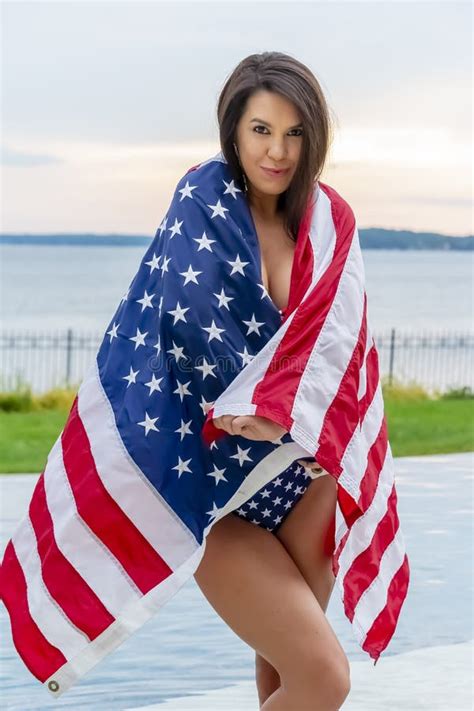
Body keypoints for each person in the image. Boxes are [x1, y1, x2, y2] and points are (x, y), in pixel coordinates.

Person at [193, 52, 351, 710]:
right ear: (233, 129)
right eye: (261, 130)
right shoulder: (202, 208)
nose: (278, 151)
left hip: (307, 481)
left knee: (285, 680)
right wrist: (253, 409)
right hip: (220, 495)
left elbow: (343, 351)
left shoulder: (328, 219)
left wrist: (289, 419)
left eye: (294, 133)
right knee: (323, 678)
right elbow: (182, 339)